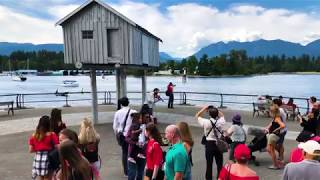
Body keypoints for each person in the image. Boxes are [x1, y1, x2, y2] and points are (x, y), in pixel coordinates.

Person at [195, 106, 226, 180]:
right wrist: (216, 109)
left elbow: (197, 115)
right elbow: (222, 115)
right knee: (219, 164)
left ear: (209, 114)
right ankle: (220, 178)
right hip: (219, 144)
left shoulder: (205, 122)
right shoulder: (221, 121)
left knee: (209, 164)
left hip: (209, 144)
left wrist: (204, 108)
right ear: (217, 114)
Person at [29, 115, 59, 180]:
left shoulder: (34, 135)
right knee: (48, 177)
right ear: (49, 124)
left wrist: (39, 148)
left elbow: (31, 150)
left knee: (41, 177)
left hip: (38, 159)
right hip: (49, 158)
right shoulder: (52, 134)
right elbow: (57, 146)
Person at [113, 97, 137, 177]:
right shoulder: (134, 112)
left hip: (123, 135)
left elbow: (115, 127)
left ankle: (126, 172)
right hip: (133, 135)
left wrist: (117, 135)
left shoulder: (118, 112)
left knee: (125, 153)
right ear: (128, 102)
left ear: (121, 104)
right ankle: (133, 170)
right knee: (134, 152)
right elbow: (138, 123)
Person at [126, 113, 146, 180]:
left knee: (140, 172)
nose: (142, 119)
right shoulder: (133, 126)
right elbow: (127, 138)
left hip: (142, 152)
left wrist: (146, 143)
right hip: (133, 152)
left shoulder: (146, 126)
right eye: (140, 118)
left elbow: (150, 138)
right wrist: (135, 143)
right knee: (132, 172)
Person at [265, 105, 285, 169]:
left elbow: (282, 125)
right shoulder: (276, 117)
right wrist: (267, 128)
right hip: (273, 135)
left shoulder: (277, 118)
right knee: (269, 149)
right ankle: (277, 162)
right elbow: (272, 124)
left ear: (273, 112)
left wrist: (276, 130)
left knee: (271, 150)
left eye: (270, 112)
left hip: (273, 136)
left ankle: (275, 165)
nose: (269, 114)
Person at [272, 98, 287, 165]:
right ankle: (281, 157)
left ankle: (281, 158)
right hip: (282, 130)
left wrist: (275, 130)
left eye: (273, 104)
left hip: (281, 131)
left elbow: (280, 122)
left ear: (275, 104)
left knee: (278, 145)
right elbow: (274, 120)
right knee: (279, 145)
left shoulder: (279, 111)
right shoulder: (281, 109)